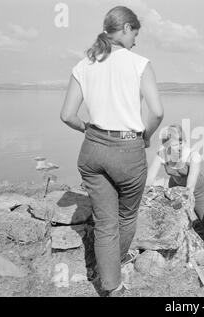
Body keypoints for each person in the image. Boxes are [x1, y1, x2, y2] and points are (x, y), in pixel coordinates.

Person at [60, 6, 164, 296]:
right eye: (136, 34)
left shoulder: (84, 65)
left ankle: (111, 285)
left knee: (105, 222)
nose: (136, 42)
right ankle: (112, 268)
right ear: (127, 29)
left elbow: (67, 115)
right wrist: (146, 135)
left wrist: (90, 131)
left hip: (92, 149)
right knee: (126, 218)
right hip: (128, 148)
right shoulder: (139, 63)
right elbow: (156, 111)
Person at [146, 125, 204, 252]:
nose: (179, 146)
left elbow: (191, 183)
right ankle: (178, 247)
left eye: (181, 142)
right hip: (175, 187)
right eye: (174, 144)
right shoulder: (162, 154)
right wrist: (145, 192)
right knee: (176, 218)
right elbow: (149, 178)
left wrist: (187, 194)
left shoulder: (192, 155)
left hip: (197, 189)